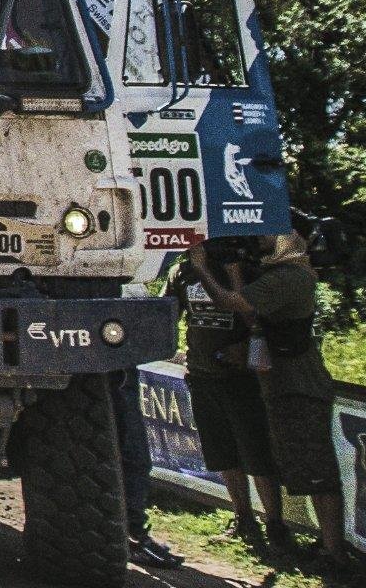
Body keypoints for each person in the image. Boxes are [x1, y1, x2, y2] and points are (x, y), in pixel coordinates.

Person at [237, 230, 347, 565]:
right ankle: (327, 546)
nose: (257, 238)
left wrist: (219, 272)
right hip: (287, 384)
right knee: (305, 466)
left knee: (317, 469)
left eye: (267, 232)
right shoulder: (281, 275)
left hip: (301, 385)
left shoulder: (292, 277)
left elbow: (239, 303)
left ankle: (333, 550)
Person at [179, 240, 286, 554]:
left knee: (257, 454)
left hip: (240, 377)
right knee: (221, 453)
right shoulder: (183, 273)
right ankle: (243, 518)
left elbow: (262, 318)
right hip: (202, 373)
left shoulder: (241, 269)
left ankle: (276, 525)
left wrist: (249, 346)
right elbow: (170, 310)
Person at [110, 309, 183, 569]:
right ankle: (131, 534)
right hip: (109, 371)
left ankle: (133, 533)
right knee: (131, 455)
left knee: (133, 456)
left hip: (118, 369)